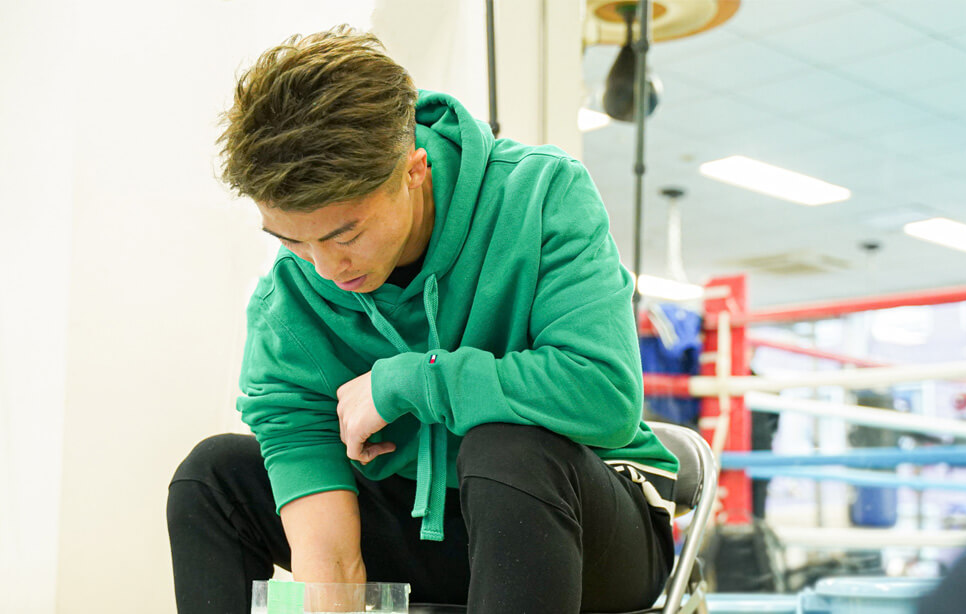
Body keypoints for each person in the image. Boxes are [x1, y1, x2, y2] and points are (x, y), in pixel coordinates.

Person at [166, 25, 679, 614]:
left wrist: (413, 380)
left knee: (505, 447)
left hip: (583, 525)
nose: (326, 268)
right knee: (212, 476)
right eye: (294, 241)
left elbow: (604, 395)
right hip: (427, 532)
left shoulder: (542, 194)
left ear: (413, 170)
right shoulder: (289, 303)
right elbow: (331, 567)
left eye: (345, 234)